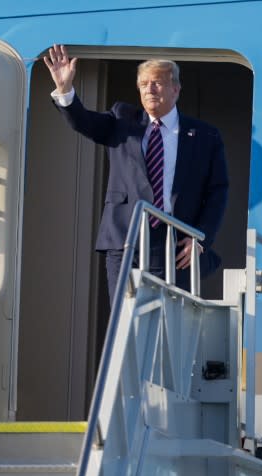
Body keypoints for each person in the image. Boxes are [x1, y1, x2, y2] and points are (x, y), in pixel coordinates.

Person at [43, 44, 229, 303]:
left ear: (175, 89)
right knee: (124, 319)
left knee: (168, 324)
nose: (149, 89)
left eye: (157, 83)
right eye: (144, 84)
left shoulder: (205, 135)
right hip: (124, 241)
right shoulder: (123, 119)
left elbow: (218, 191)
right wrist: (65, 89)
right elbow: (83, 122)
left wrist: (200, 237)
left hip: (175, 245)